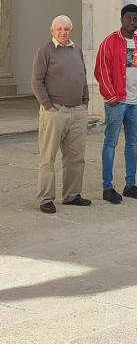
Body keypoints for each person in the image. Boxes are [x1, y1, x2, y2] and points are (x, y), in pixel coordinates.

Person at [31, 15, 91, 214]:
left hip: (77, 112)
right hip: (55, 112)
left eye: (66, 29)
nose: (64, 32)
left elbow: (82, 76)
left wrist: (85, 101)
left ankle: (72, 195)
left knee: (76, 157)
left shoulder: (77, 49)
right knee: (48, 157)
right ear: (52, 30)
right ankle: (46, 198)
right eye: (60, 29)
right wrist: (48, 106)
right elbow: (36, 82)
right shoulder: (45, 51)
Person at [94, 3, 137, 203]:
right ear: (122, 19)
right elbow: (101, 70)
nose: (132, 22)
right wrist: (111, 97)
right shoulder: (110, 42)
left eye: (136, 19)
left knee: (133, 144)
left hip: (136, 103)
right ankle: (107, 187)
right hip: (117, 102)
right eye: (129, 18)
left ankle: (130, 184)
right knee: (110, 143)